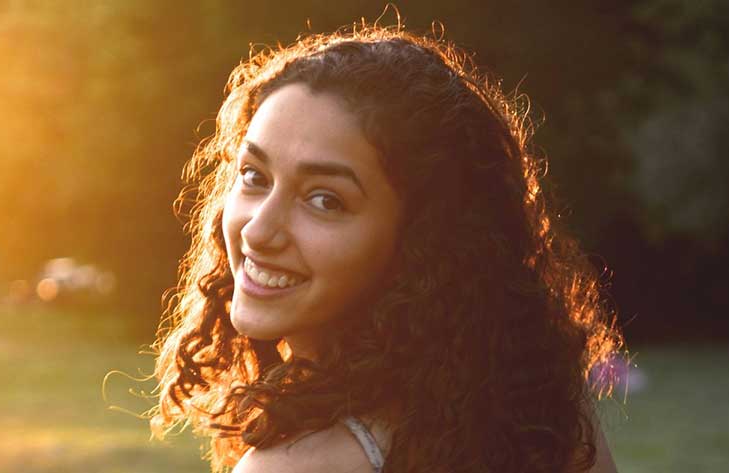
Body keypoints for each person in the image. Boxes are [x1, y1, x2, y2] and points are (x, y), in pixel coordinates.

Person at [151, 22, 624, 473]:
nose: (258, 230)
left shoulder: (302, 464)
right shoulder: (539, 408)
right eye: (254, 176)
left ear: (423, 240)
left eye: (325, 200)